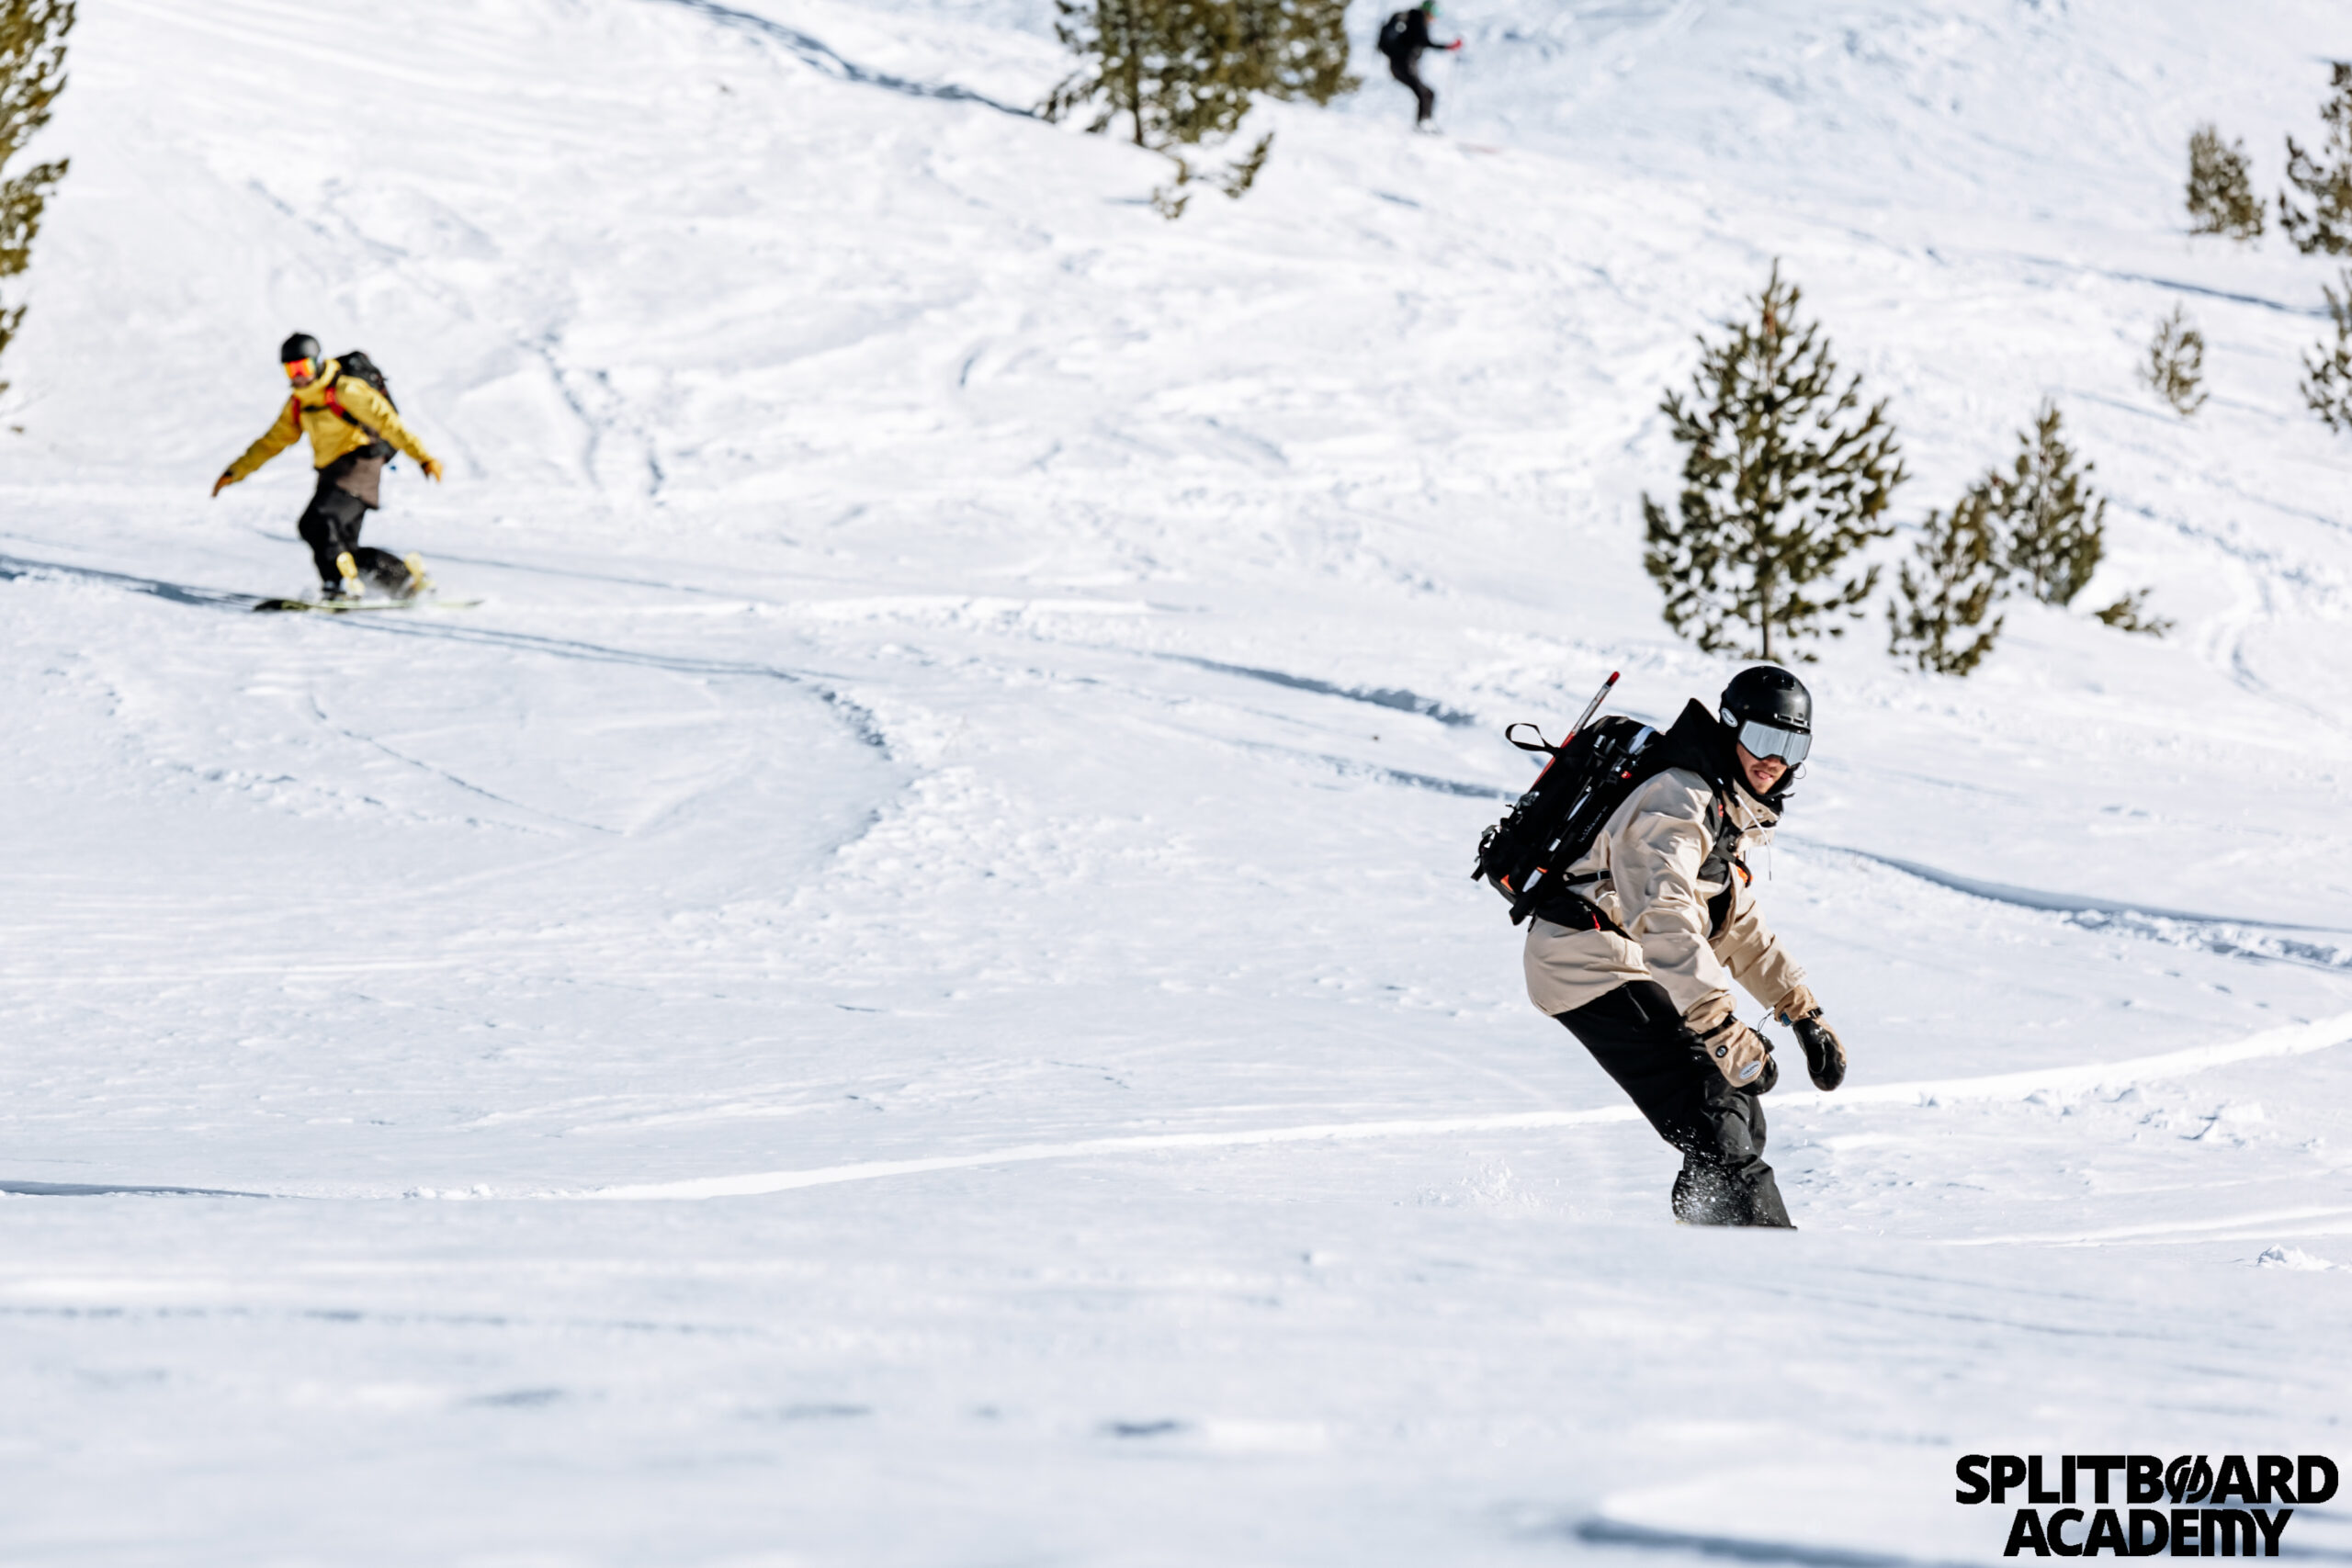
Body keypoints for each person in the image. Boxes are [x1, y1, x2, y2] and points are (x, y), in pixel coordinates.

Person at [1520, 667, 1850, 1227]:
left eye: (1792, 745)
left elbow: (1734, 924)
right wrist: (1721, 1028)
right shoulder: (1676, 799)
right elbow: (1665, 917)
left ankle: (1701, 1240)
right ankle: (1770, 1269)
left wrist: (1802, 1011)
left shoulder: (1720, 804)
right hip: (1585, 959)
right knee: (1716, 1115)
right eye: (1763, 739)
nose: (1775, 761)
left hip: (1627, 958)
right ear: (1728, 729)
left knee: (1740, 1116)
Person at [212, 333, 445, 600]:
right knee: (344, 549)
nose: (298, 375)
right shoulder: (299, 402)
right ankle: (406, 583)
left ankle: (338, 586)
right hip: (331, 473)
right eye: (291, 369)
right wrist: (235, 471)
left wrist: (423, 457)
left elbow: (388, 423)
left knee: (315, 523)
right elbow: (271, 442)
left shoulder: (345, 390)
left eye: (304, 367)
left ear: (317, 362)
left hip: (360, 465)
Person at [1376, 1, 1461, 130]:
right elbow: (1424, 41)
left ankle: (1425, 122)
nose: (1434, 19)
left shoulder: (1412, 19)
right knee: (1424, 93)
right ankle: (1423, 124)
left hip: (1400, 64)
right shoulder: (1418, 19)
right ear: (1430, 12)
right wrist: (1447, 47)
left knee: (1427, 93)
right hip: (1404, 64)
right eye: (1434, 14)